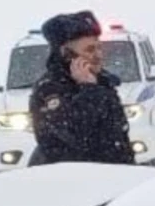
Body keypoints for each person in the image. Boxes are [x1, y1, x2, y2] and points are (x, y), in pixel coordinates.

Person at [28, 11, 135, 167]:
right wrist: (88, 90)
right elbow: (75, 134)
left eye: (99, 48)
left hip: (114, 177)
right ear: (66, 54)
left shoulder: (103, 83)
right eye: (90, 50)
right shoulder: (49, 90)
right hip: (73, 181)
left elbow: (117, 137)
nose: (98, 55)